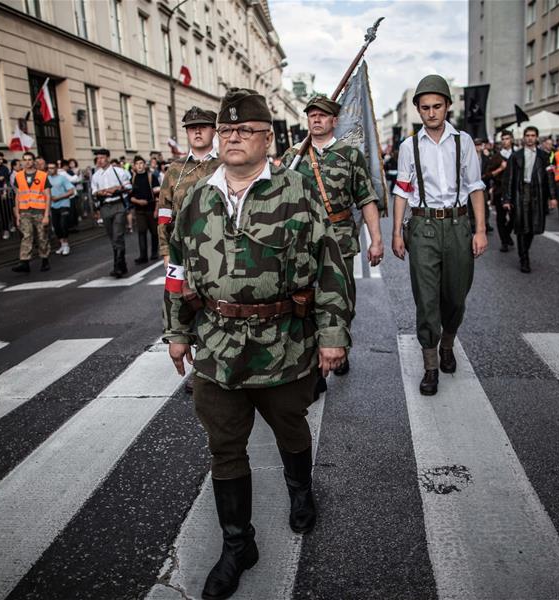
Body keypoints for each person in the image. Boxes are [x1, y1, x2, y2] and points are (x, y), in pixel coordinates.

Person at [163, 88, 351, 600]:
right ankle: (237, 545)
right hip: (216, 347)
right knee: (224, 447)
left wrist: (332, 335)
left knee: (290, 428)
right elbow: (177, 270)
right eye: (226, 131)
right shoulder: (199, 196)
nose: (232, 138)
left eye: (244, 130)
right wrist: (177, 331)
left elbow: (330, 265)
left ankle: (300, 489)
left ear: (268, 138)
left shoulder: (296, 190)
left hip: (283, 344)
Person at [391, 74, 487, 396]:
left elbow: (475, 187)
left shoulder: (464, 142)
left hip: (459, 226)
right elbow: (402, 190)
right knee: (426, 298)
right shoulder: (409, 147)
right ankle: (431, 363)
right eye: (425, 108)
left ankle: (448, 342)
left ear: (447, 107)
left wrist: (481, 230)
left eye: (437, 106)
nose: (431, 113)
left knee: (456, 297)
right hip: (423, 227)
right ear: (418, 110)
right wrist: (397, 233)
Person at [281, 93, 383, 382]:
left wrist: (376, 240)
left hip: (339, 239)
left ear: (334, 121)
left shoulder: (350, 155)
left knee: (342, 299)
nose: (316, 119)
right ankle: (314, 361)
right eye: (311, 114)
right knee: (304, 299)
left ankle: (339, 345)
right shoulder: (292, 157)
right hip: (302, 241)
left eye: (322, 115)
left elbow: (366, 199)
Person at [157, 106, 220, 265]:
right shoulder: (175, 169)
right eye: (192, 128)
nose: (197, 132)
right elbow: (165, 211)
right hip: (182, 249)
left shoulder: (226, 166)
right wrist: (165, 251)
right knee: (178, 290)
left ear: (214, 131)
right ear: (187, 133)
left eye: (203, 127)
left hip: (220, 248)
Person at [503, 126, 557, 273]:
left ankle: (524, 250)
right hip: (521, 193)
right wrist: (507, 199)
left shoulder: (544, 156)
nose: (530, 138)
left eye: (533, 135)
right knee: (521, 227)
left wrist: (552, 197)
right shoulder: (516, 156)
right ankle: (524, 259)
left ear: (537, 138)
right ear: (524, 137)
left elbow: (550, 178)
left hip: (537, 194)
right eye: (527, 135)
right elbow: (509, 178)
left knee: (533, 226)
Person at [91, 148, 132, 277]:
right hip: (105, 206)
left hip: (118, 204)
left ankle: (118, 266)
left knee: (118, 234)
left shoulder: (119, 171)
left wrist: (118, 188)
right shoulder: (96, 175)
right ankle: (122, 264)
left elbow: (129, 186)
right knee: (112, 236)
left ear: (108, 158)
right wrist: (100, 192)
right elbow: (94, 191)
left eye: (102, 158)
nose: (100, 160)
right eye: (97, 158)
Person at [11, 151, 51, 273]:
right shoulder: (18, 176)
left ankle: (45, 259)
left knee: (42, 236)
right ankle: (24, 262)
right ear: (22, 162)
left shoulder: (42, 175)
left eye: (29, 159)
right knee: (26, 236)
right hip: (24, 211)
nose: (27, 162)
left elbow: (48, 196)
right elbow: (17, 196)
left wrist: (46, 215)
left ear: (33, 161)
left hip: (39, 211)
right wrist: (17, 214)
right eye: (25, 159)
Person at [129, 155, 161, 264]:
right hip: (139, 210)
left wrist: (157, 209)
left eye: (141, 163)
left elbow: (158, 195)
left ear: (145, 165)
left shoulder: (151, 177)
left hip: (151, 209)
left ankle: (154, 252)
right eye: (137, 164)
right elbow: (130, 196)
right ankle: (143, 256)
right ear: (134, 166)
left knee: (154, 232)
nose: (139, 166)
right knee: (141, 232)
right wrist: (138, 202)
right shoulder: (132, 179)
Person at [484, 131, 511, 251]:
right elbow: (488, 174)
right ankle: (504, 242)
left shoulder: (517, 155)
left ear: (512, 139)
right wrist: (500, 169)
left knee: (516, 217)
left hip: (515, 191)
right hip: (500, 190)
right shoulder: (496, 157)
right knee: (501, 217)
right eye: (503, 139)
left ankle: (507, 234)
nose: (505, 141)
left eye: (508, 138)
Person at [47, 161, 75, 256]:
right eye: (49, 168)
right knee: (56, 226)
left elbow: (71, 191)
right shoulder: (46, 179)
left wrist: (59, 197)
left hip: (64, 204)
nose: (50, 170)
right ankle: (62, 244)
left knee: (63, 224)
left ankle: (66, 244)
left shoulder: (62, 178)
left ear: (56, 169)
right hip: (53, 206)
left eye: (52, 168)